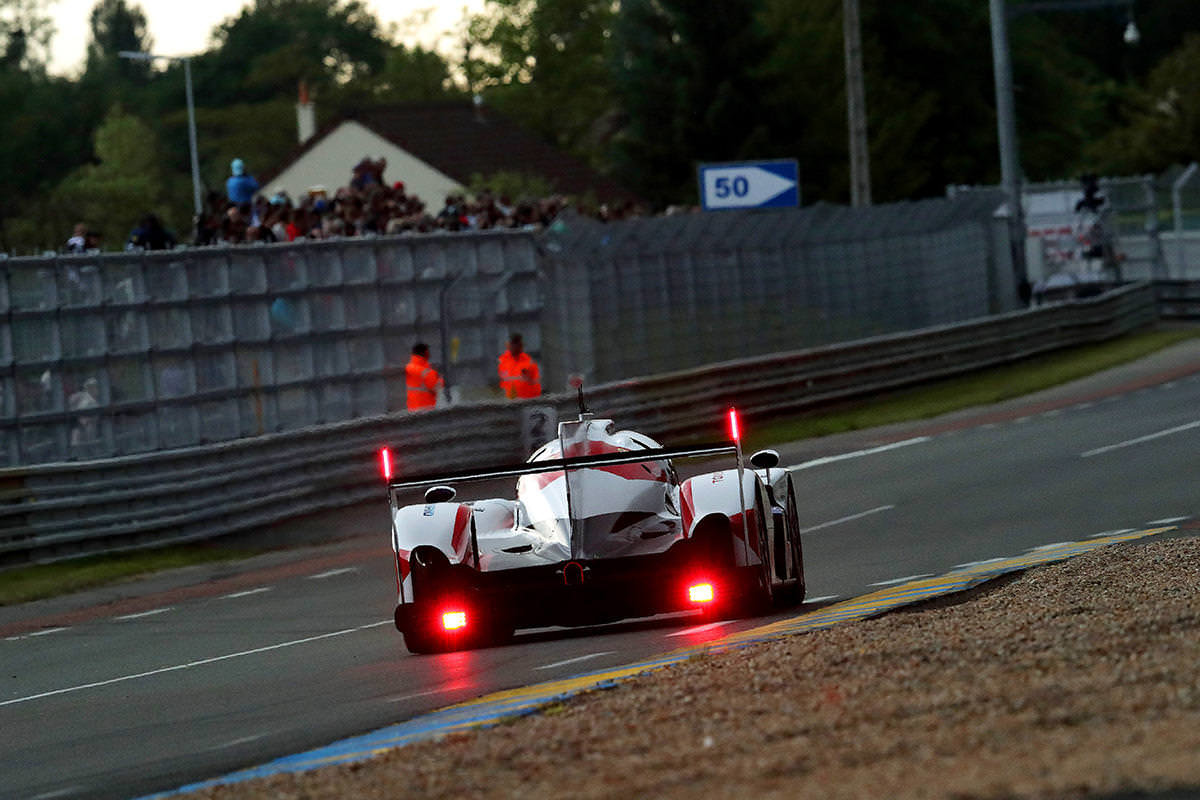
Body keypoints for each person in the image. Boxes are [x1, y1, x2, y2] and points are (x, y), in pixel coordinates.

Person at [497, 333, 541, 399]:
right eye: (513, 344)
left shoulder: (529, 361)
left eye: (518, 344)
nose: (515, 347)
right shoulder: (502, 360)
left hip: (528, 400)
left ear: (521, 346)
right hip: (511, 401)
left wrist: (529, 380)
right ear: (508, 345)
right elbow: (501, 382)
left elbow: (536, 381)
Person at [405, 342, 443, 411]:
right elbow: (436, 388)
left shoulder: (409, 367)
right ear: (425, 352)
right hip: (426, 410)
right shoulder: (428, 372)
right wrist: (441, 379)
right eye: (428, 351)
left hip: (412, 410)